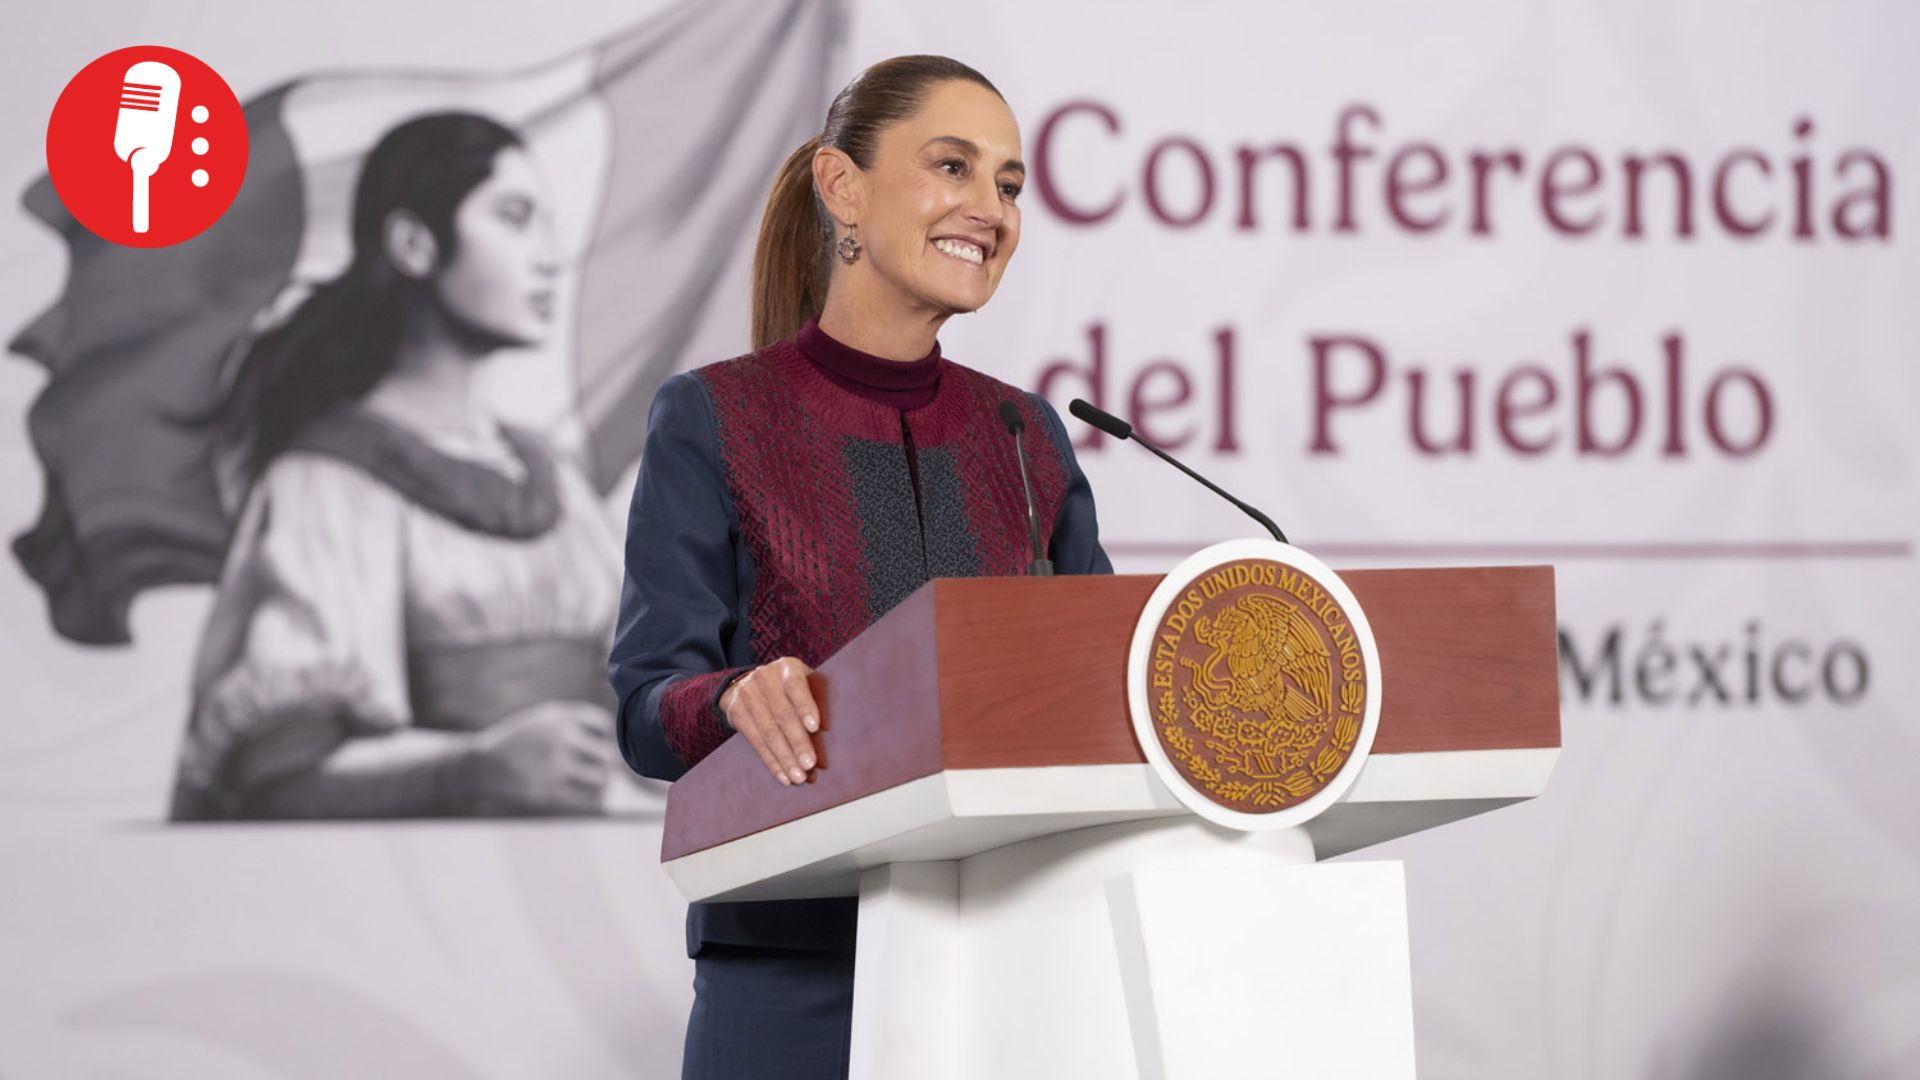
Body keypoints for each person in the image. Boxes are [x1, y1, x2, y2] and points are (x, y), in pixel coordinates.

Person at [609, 56, 1112, 1078]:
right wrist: (736, 699)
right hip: (792, 970)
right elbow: (646, 704)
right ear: (842, 187)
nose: (991, 209)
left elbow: (1103, 688)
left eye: (1009, 184)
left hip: (1012, 964)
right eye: (952, 167)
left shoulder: (1025, 435)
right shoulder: (713, 417)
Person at [169, 112, 631, 820]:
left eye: (546, 223)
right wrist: (473, 768)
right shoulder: (326, 483)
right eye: (514, 219)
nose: (549, 257)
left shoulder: (555, 480)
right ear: (415, 244)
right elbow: (278, 772)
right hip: (411, 875)